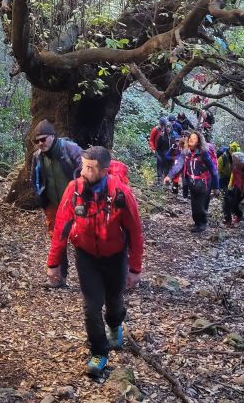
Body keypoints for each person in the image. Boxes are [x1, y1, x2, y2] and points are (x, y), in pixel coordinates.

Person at [47, 146, 144, 377]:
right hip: (86, 256)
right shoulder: (74, 190)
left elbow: (135, 232)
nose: (83, 171)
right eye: (82, 165)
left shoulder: (121, 194)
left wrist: (135, 268)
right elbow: (61, 227)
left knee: (114, 303)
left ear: (103, 171)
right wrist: (54, 263)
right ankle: (99, 352)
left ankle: (114, 323)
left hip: (115, 257)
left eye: (89, 168)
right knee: (91, 307)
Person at [30, 119, 83, 287]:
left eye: (43, 139)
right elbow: (34, 179)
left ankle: (88, 278)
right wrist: (41, 199)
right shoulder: (37, 156)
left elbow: (87, 173)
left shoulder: (71, 149)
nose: (40, 143)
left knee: (81, 239)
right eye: (37, 141)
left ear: (53, 136)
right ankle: (59, 278)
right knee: (56, 240)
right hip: (53, 204)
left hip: (76, 204)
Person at [165, 130, 219, 232]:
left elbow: (213, 170)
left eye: (194, 138)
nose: (191, 140)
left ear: (198, 141)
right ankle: (197, 223)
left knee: (200, 205)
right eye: (190, 138)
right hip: (192, 183)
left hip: (204, 184)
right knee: (194, 205)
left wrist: (216, 187)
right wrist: (169, 176)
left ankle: (202, 224)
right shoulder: (186, 152)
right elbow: (178, 164)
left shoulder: (204, 154)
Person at [148, 117, 173, 182]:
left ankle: (165, 175)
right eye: (162, 125)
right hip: (157, 148)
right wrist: (152, 148)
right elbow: (151, 140)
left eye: (163, 126)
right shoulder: (155, 130)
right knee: (159, 161)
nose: (162, 127)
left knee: (165, 162)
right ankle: (159, 176)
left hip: (164, 148)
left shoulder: (166, 130)